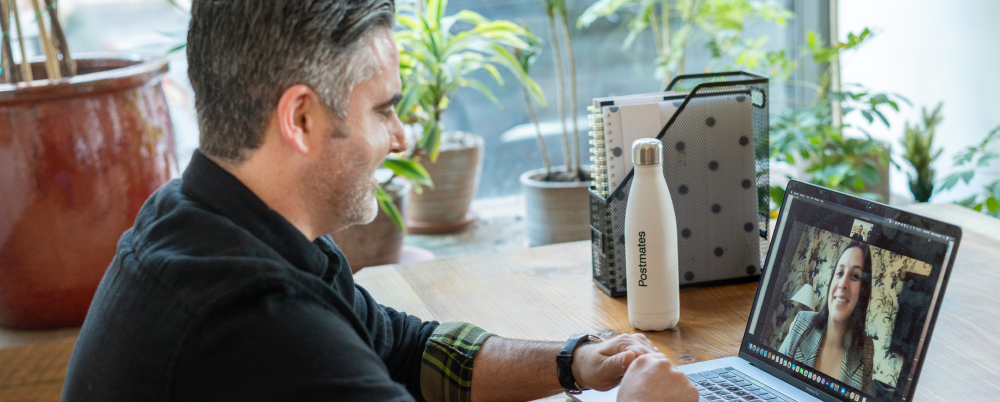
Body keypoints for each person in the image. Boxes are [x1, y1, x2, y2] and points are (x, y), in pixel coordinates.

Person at [60, 1, 698, 402]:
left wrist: (574, 363)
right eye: (385, 109)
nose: (402, 136)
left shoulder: (202, 216)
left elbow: (403, 349)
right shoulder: (255, 325)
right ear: (301, 119)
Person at [779, 240, 874, 392]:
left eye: (855, 276)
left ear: (863, 291)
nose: (843, 283)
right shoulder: (801, 322)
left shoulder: (866, 350)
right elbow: (773, 378)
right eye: (840, 273)